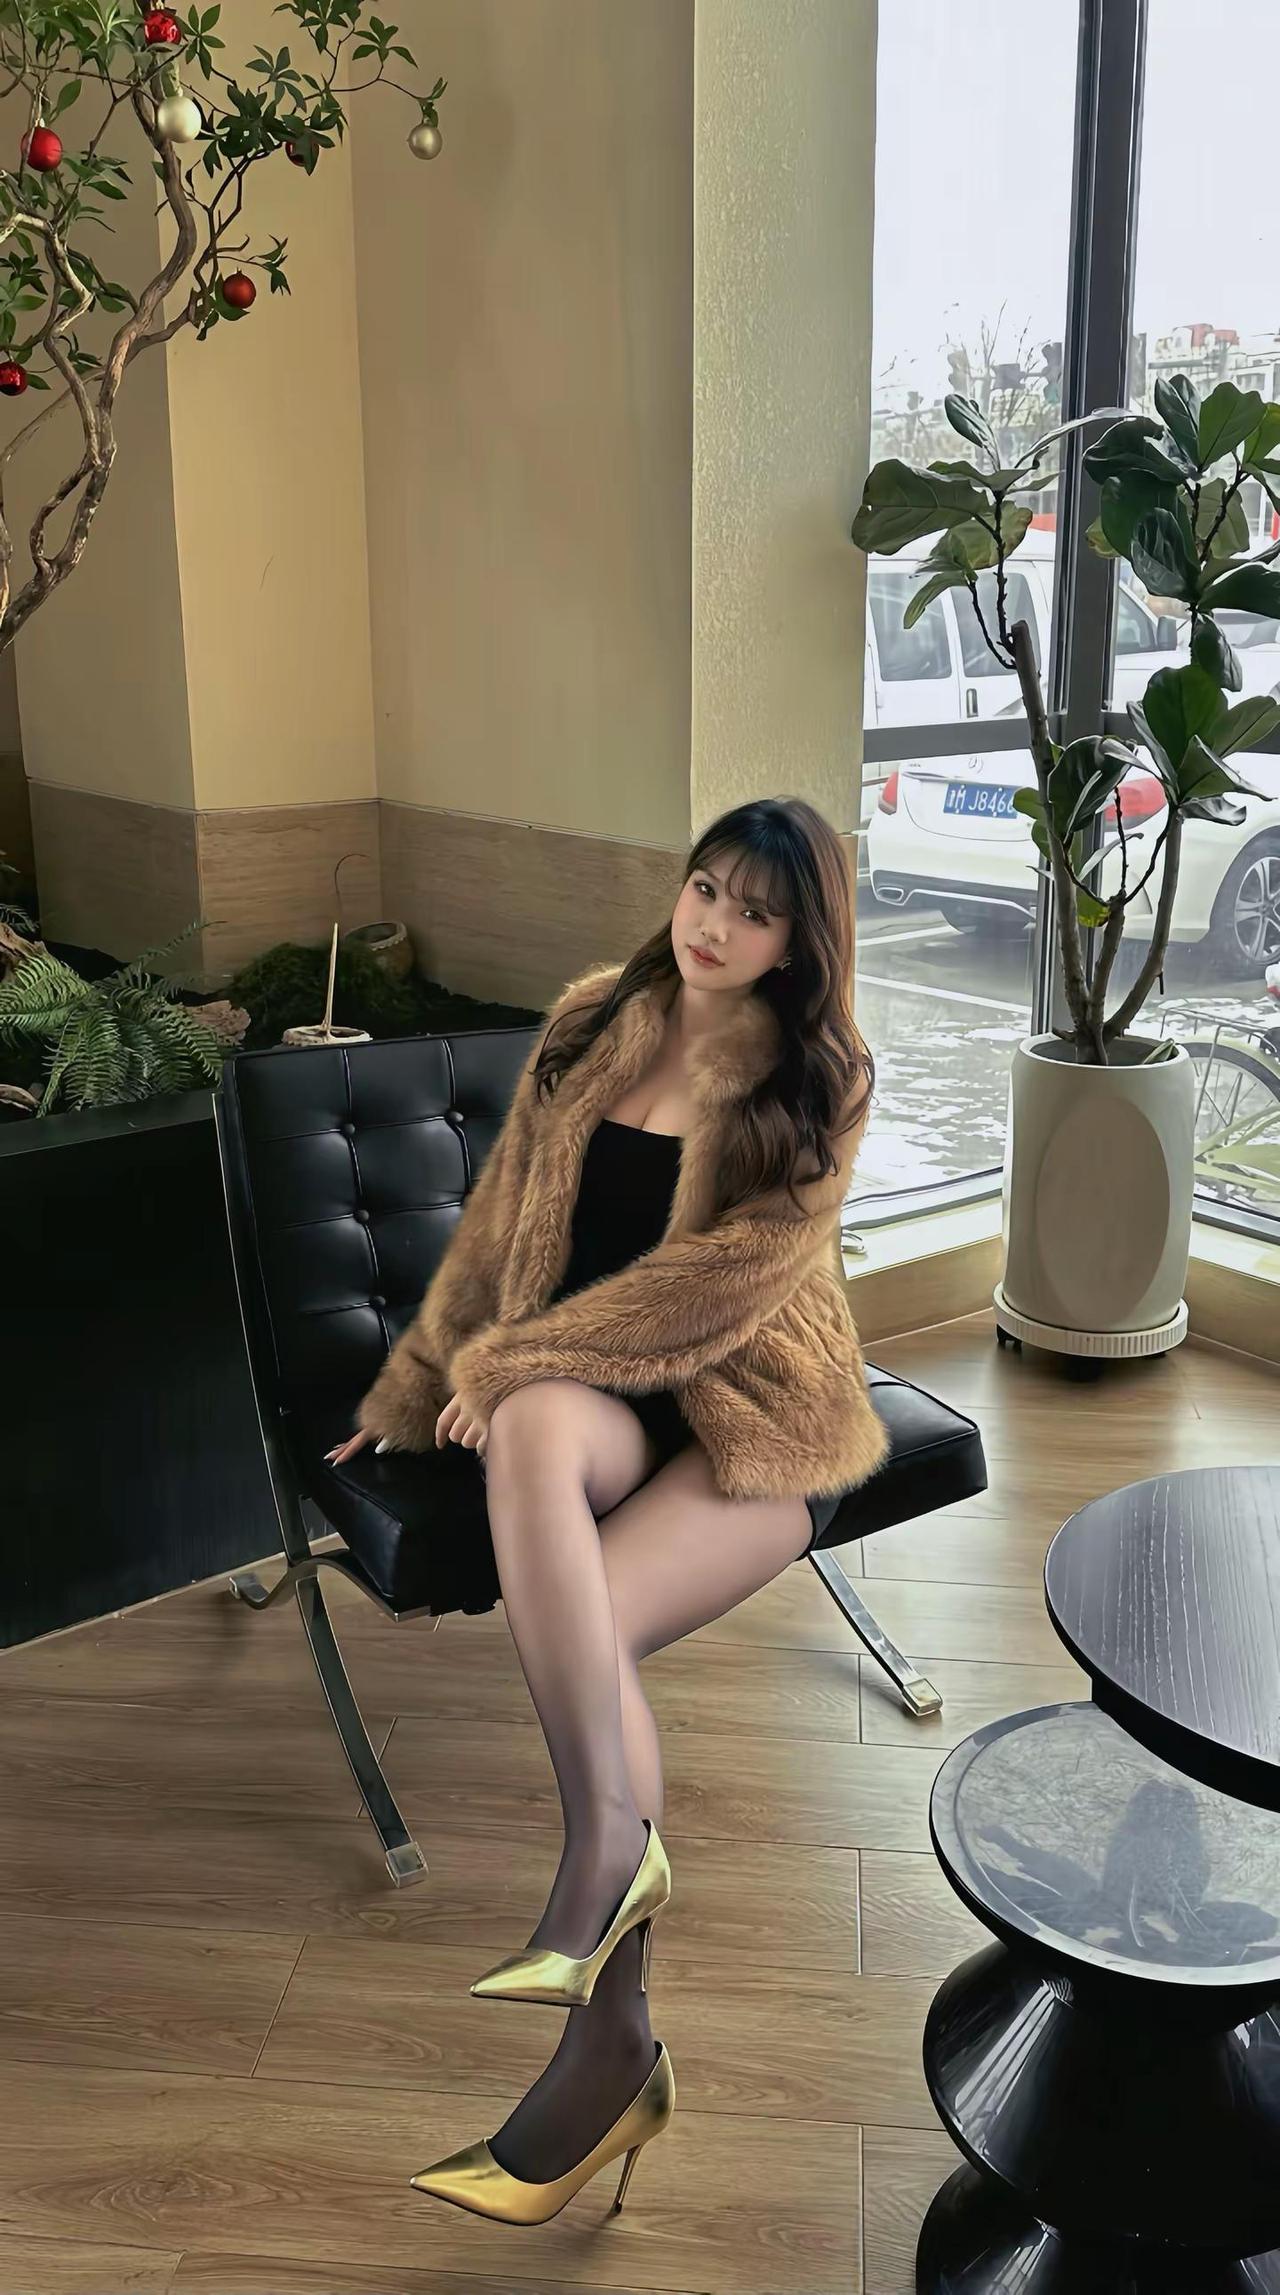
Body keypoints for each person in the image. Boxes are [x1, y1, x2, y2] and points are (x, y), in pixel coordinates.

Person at [326, 794, 888, 2225]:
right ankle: (607, 1877)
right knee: (526, 1435)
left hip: (755, 1415)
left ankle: (607, 2041)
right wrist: (426, 1383)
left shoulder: (820, 1078)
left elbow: (716, 1290)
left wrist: (518, 1361)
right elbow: (501, 1223)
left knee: (588, 1636)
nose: (714, 924)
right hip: (595, 1394)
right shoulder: (595, 1021)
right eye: (705, 889)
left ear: (798, 941)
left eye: (755, 911)